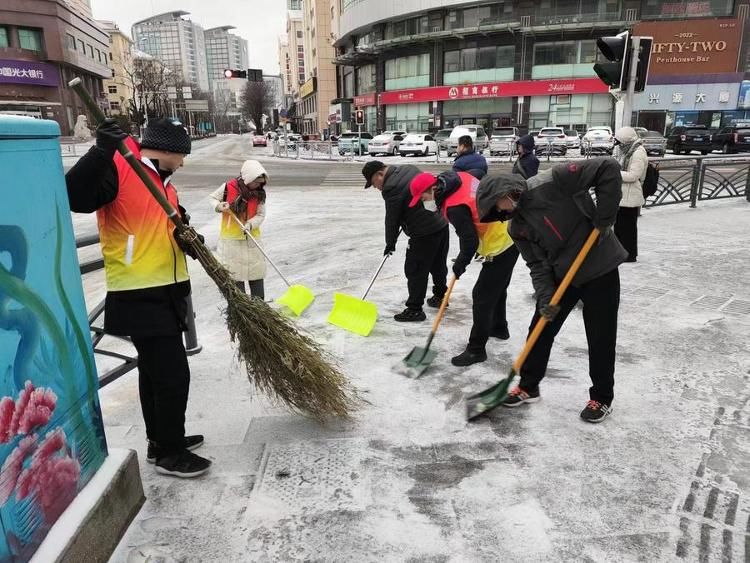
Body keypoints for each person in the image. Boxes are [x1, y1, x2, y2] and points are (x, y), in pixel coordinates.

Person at [65, 117, 211, 477]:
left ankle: (160, 441)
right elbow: (74, 196)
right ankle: (170, 454)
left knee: (154, 372)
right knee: (174, 375)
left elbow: (159, 230)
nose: (183, 162)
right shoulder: (120, 166)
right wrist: (100, 150)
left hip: (166, 291)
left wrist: (187, 240)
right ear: (168, 151)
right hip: (138, 293)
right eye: (182, 155)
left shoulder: (163, 185)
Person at [476, 158, 628, 423]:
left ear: (503, 194)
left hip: (599, 266)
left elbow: (607, 167)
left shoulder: (554, 180)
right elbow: (537, 264)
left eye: (496, 208)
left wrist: (605, 216)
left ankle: (602, 397)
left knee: (600, 335)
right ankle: (528, 385)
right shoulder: (517, 226)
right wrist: (546, 298)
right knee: (540, 328)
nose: (499, 215)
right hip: (563, 277)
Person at [409, 171, 519, 366]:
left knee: (482, 296)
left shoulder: (454, 207)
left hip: (500, 242)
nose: (423, 202)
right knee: (497, 287)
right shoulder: (458, 178)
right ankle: (499, 327)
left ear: (433, 189)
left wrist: (460, 263)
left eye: (423, 197)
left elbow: (469, 241)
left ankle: (476, 350)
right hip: (508, 230)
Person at [362, 160, 449, 322]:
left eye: (374, 183)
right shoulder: (408, 168)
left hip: (423, 232)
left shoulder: (390, 188)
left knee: (415, 269)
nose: (375, 187)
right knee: (438, 263)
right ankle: (440, 296)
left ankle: (415, 309)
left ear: (380, 174)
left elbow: (392, 219)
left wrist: (390, 243)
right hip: (441, 224)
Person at [210, 160, 268, 299]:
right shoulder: (227, 187)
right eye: (256, 181)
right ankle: (243, 313)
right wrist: (219, 206)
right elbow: (213, 198)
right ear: (248, 177)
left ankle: (260, 311)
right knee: (237, 281)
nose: (259, 185)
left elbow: (261, 214)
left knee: (256, 277)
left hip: (251, 240)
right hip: (231, 242)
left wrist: (250, 224)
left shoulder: (259, 194)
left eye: (261, 182)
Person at [613, 126, 647, 262]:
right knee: (620, 226)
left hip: (631, 196)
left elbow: (634, 175)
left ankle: (629, 254)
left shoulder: (638, 153)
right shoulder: (627, 150)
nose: (618, 145)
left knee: (628, 228)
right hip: (623, 195)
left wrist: (615, 173)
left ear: (626, 141)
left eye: (620, 142)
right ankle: (620, 253)